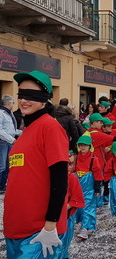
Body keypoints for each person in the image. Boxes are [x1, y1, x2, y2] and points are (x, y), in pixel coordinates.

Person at [4, 70, 69, 258]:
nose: (24, 100)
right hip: (16, 227)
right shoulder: (28, 130)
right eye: (21, 95)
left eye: (31, 96)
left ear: (44, 99)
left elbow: (60, 179)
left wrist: (51, 224)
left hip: (39, 232)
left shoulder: (50, 127)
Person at [54, 151, 85, 259]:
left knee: (64, 242)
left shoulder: (72, 178)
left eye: (70, 164)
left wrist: (64, 208)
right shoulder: (51, 178)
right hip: (53, 219)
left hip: (66, 217)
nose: (68, 167)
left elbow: (77, 197)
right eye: (65, 164)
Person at [74, 135, 103, 240]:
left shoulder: (93, 159)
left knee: (88, 206)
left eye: (85, 145)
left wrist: (97, 189)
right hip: (78, 186)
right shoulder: (76, 157)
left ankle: (85, 228)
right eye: (81, 145)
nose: (83, 147)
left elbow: (98, 174)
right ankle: (89, 225)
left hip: (89, 187)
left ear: (89, 146)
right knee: (79, 207)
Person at [0, 95, 22, 192]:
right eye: (13, 102)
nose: (14, 104)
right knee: (2, 165)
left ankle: (2, 186)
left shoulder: (9, 113)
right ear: (9, 103)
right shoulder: (1, 113)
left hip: (9, 142)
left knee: (8, 165)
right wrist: (11, 139)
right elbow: (0, 131)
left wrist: (22, 132)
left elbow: (11, 130)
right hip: (3, 142)